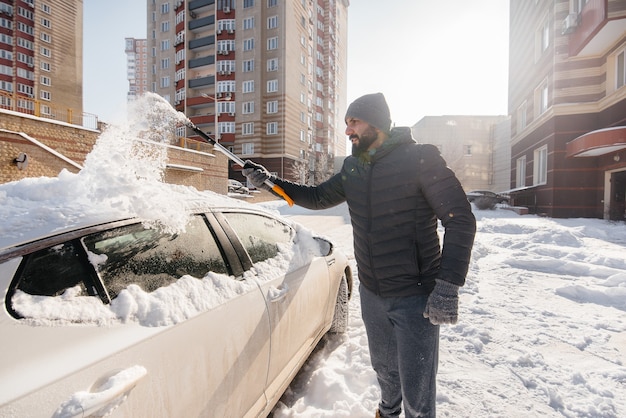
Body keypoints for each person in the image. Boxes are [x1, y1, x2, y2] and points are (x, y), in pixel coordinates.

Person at [243, 93, 476, 418]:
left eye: (354, 122)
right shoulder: (355, 167)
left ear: (376, 123)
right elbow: (318, 196)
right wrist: (271, 183)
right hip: (372, 293)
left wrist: (448, 285)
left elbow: (460, 220)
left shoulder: (420, 159)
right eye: (346, 123)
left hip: (415, 298)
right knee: (386, 374)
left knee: (418, 392)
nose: (348, 130)